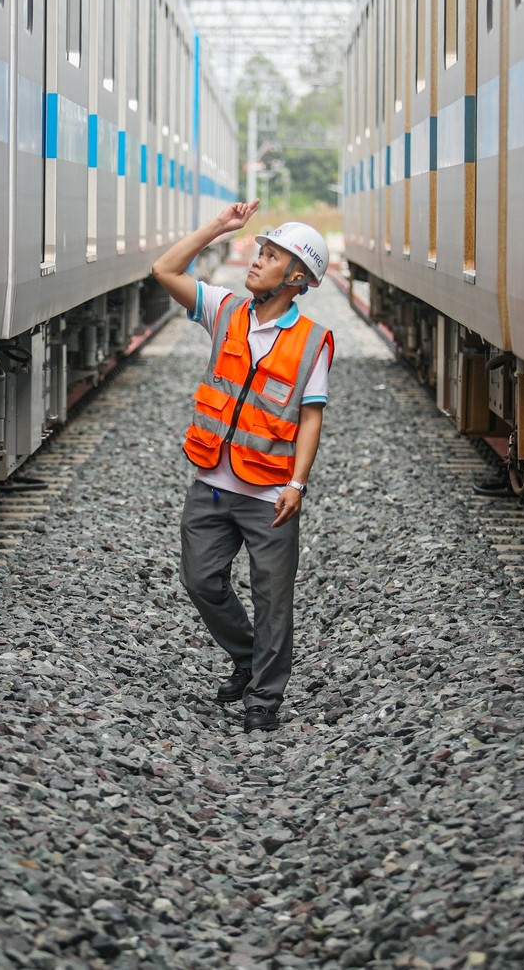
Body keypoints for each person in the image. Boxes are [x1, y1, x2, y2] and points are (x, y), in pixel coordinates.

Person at [151, 201, 334, 733]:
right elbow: (164, 270)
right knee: (200, 579)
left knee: (274, 598)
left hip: (269, 493)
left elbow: (310, 418)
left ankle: (264, 699)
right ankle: (250, 658)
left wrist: (297, 484)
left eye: (272, 255)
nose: (258, 259)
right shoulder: (225, 311)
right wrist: (217, 228)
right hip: (210, 485)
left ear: (296, 277)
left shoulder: (311, 342)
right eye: (261, 250)